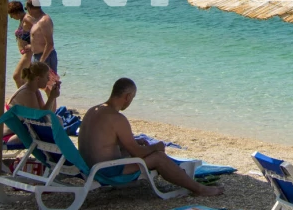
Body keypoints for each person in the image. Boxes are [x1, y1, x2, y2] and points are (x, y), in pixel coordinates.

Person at [77, 77, 222, 197]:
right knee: (159, 157)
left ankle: (181, 176)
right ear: (127, 97)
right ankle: (199, 189)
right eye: (132, 98)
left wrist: (134, 142)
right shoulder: (117, 118)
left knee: (139, 149)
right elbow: (138, 153)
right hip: (106, 171)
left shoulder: (93, 111)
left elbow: (102, 141)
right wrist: (156, 147)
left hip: (88, 166)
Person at [24, 1, 56, 76]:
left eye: (26, 9)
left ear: (29, 8)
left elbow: (50, 44)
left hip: (45, 57)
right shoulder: (37, 20)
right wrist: (32, 46)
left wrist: (41, 61)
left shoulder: (44, 21)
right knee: (36, 80)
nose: (27, 12)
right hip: (37, 56)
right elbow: (39, 38)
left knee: (50, 82)